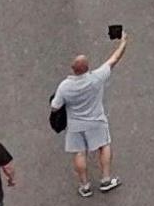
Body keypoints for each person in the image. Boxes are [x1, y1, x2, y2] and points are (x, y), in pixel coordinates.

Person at [49, 28, 128, 194]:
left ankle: (85, 186)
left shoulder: (65, 86)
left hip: (75, 125)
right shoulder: (96, 78)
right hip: (96, 121)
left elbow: (55, 107)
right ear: (87, 67)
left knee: (79, 153)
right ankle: (106, 179)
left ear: (73, 68)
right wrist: (123, 42)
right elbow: (113, 60)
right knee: (104, 146)